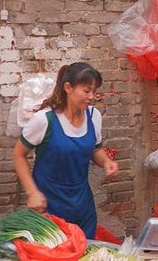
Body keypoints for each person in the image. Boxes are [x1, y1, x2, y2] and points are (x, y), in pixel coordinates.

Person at [13, 62, 118, 239]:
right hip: (49, 207)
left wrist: (107, 162)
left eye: (94, 91)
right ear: (68, 87)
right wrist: (32, 193)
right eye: (86, 91)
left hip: (82, 206)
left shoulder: (94, 117)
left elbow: (95, 150)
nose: (92, 97)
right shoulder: (44, 120)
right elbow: (18, 155)